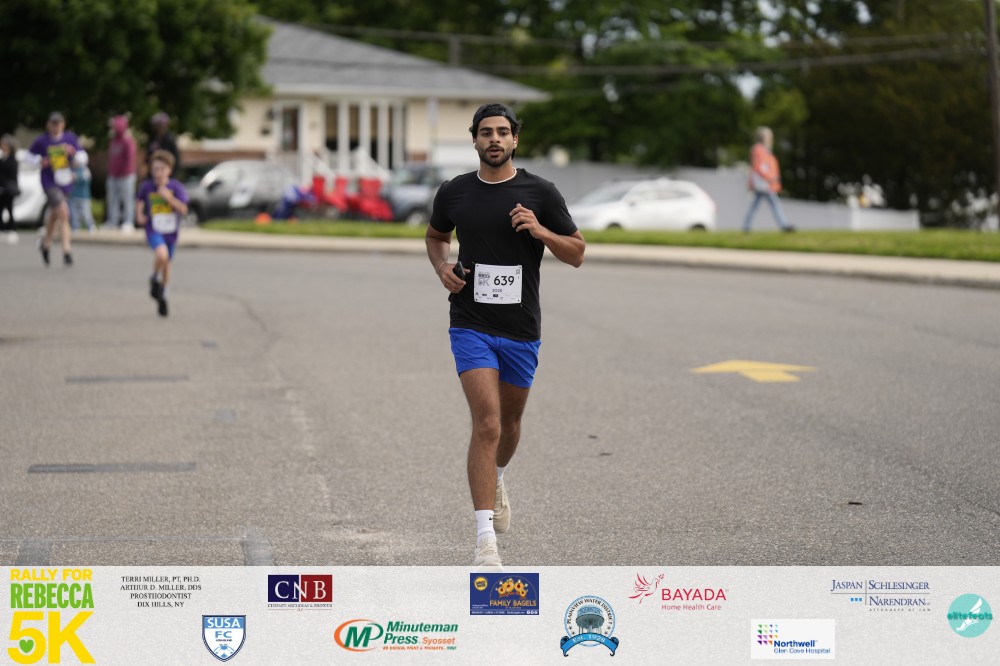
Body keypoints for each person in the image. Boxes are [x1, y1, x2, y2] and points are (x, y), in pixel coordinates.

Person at [425, 103, 585, 568]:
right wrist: (442, 266)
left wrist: (540, 230)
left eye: (502, 132)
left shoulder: (540, 192)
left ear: (515, 139)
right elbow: (436, 236)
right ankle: (485, 543)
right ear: (474, 140)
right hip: (470, 323)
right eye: (485, 132)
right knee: (488, 424)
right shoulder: (454, 192)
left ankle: (496, 476)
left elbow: (577, 253)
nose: (494, 139)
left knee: (510, 426)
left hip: (521, 328)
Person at [135, 149, 188, 317]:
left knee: (167, 264)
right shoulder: (147, 187)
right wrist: (139, 215)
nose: (158, 173)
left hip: (170, 232)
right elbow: (139, 201)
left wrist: (168, 198)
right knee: (162, 255)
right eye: (155, 169)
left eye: (162, 169)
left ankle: (163, 292)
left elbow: (183, 209)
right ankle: (155, 278)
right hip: (154, 229)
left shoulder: (176, 187)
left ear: (169, 170)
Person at [29, 111, 81, 266]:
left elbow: (81, 157)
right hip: (49, 181)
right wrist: (40, 161)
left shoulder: (70, 139)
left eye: (58, 123)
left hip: (64, 180)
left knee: (55, 214)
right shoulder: (42, 141)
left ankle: (45, 244)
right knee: (63, 211)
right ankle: (67, 251)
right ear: (48, 125)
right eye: (53, 123)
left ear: (63, 124)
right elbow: (28, 157)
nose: (56, 126)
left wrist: (74, 155)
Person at [741, 126, 794, 233]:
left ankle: (746, 226)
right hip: (764, 183)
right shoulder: (759, 150)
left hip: (763, 183)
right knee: (774, 204)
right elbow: (760, 167)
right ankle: (783, 225)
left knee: (756, 205)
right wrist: (770, 178)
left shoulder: (763, 150)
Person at [105, 114, 137, 231]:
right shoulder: (113, 141)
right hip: (113, 176)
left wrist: (124, 172)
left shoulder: (128, 141)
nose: (112, 129)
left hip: (126, 176)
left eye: (114, 126)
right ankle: (112, 221)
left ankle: (128, 222)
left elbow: (130, 160)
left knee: (127, 199)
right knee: (112, 199)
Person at [68, 150, 96, 233]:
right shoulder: (71, 169)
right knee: (74, 214)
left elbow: (85, 178)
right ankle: (75, 227)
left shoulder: (85, 170)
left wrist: (76, 177)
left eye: (75, 160)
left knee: (86, 213)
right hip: (73, 196)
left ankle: (90, 225)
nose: (73, 161)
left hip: (83, 197)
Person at [147, 112, 180, 179]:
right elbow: (148, 156)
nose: (157, 128)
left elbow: (176, 158)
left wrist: (172, 174)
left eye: (159, 125)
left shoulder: (170, 140)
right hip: (153, 175)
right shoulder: (153, 139)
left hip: (167, 175)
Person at [0, 134, 19, 244]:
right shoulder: (2, 159)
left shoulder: (12, 160)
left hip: (9, 189)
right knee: (0, 210)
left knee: (10, 209)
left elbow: (12, 175)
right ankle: (2, 229)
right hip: (1, 189)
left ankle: (12, 229)